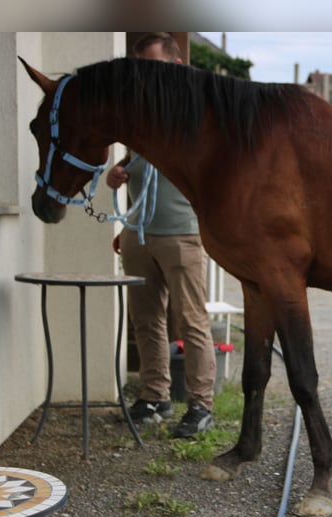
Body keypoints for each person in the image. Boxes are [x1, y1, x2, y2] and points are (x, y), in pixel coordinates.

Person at [107, 32, 215, 439]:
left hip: (181, 232)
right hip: (137, 230)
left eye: (153, 66)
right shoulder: (140, 115)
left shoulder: (197, 113)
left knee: (190, 320)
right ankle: (155, 397)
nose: (147, 75)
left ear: (177, 66)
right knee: (145, 319)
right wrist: (117, 173)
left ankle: (201, 404)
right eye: (141, 68)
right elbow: (136, 162)